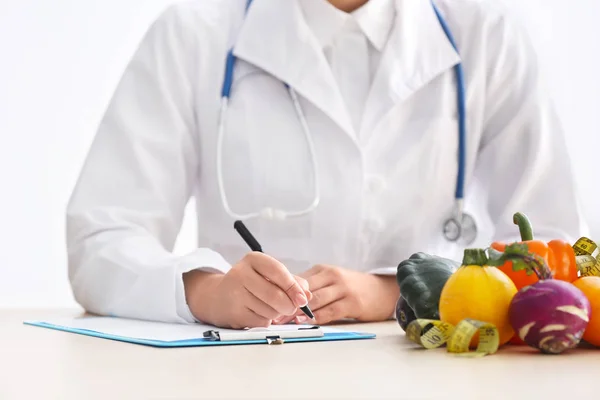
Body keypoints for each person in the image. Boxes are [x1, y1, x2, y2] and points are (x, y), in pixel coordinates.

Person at [66, 0, 587, 329]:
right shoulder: (193, 33)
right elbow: (101, 243)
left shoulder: (488, 36)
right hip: (246, 374)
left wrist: (393, 292)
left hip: (431, 374)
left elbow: (558, 254)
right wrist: (207, 291)